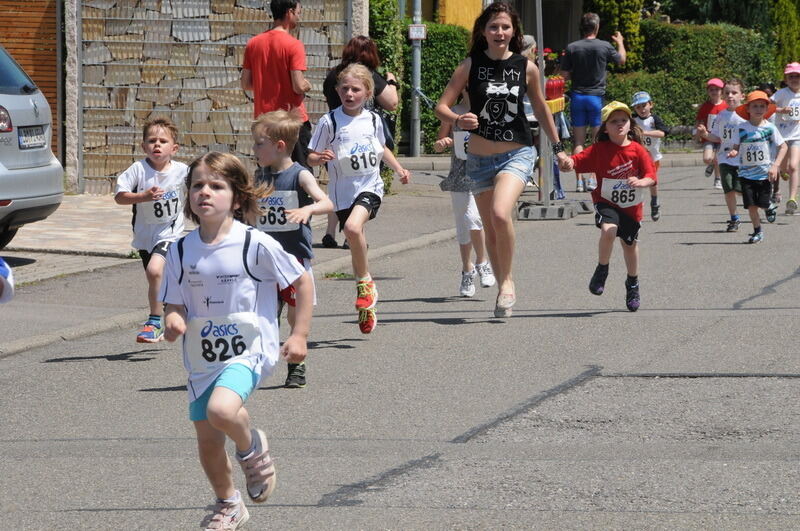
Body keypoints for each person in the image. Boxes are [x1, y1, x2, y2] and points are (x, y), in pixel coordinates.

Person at [161, 151, 314, 531]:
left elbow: (301, 281)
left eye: (216, 186)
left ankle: (251, 450)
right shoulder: (180, 249)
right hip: (201, 355)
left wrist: (300, 334)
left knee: (222, 410)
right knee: (209, 442)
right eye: (197, 185)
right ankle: (229, 503)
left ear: (238, 197)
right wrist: (174, 318)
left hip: (249, 348)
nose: (205, 193)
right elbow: (174, 299)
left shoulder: (255, 243)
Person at [435, 1, 570, 318]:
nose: (499, 32)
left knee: (499, 213)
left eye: (505, 27)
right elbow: (442, 106)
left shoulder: (527, 68)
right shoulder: (470, 66)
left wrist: (559, 148)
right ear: (484, 30)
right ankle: (501, 291)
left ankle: (507, 282)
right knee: (491, 230)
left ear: (514, 32)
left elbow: (541, 109)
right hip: (479, 160)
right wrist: (457, 121)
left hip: (517, 153)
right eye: (493, 26)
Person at [308, 64, 411, 334]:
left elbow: (381, 148)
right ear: (337, 91)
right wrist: (320, 157)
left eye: (356, 89)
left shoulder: (373, 120)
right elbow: (310, 155)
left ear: (367, 93)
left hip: (370, 186)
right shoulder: (329, 121)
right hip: (343, 193)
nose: (350, 94)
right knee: (356, 241)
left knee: (353, 228)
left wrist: (399, 168)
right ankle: (367, 302)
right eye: (345, 89)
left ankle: (365, 284)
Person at [251, 108, 333, 388]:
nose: (254, 149)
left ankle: (296, 365)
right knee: (262, 315)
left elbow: (327, 203)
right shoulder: (259, 176)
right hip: (264, 261)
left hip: (295, 260)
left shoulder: (300, 175)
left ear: (280, 146)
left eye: (259, 144)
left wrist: (307, 210)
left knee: (295, 316)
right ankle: (255, 365)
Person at [561, 101, 656, 312]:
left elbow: (651, 176)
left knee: (629, 246)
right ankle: (602, 269)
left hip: (631, 207)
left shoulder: (638, 151)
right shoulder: (599, 149)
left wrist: (642, 182)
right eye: (614, 121)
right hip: (606, 202)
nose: (620, 124)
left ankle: (632, 284)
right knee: (608, 230)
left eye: (623, 120)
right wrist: (568, 162)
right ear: (605, 127)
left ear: (630, 124)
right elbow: (576, 161)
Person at [320, 35, 399, 249]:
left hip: (335, 140)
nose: (350, 92)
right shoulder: (368, 76)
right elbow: (392, 102)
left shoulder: (334, 75)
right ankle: (352, 235)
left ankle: (330, 232)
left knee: (338, 187)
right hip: (362, 141)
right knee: (360, 186)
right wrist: (392, 81)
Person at [114, 117, 188, 343]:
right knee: (156, 277)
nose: (157, 145)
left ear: (174, 148)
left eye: (163, 141)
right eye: (152, 140)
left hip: (171, 233)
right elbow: (119, 197)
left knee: (155, 271)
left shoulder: (183, 171)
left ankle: (154, 321)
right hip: (145, 237)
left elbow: (199, 186)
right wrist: (143, 196)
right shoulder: (138, 170)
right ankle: (176, 308)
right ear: (143, 146)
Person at [433, 90, 496, 297]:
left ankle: (482, 262)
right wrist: (443, 143)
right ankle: (467, 270)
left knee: (474, 218)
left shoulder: (488, 111)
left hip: (481, 172)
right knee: (463, 223)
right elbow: (439, 142)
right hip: (459, 173)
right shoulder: (453, 112)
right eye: (469, 85)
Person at [559, 12, 626, 193]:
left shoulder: (572, 47)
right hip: (596, 97)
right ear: (596, 27)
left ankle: (579, 181)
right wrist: (620, 42)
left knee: (578, 141)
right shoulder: (604, 46)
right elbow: (622, 60)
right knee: (597, 141)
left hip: (578, 96)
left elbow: (564, 75)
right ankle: (592, 180)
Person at [241, 0, 312, 168]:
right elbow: (298, 85)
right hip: (291, 121)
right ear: (289, 12)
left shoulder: (254, 43)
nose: (298, 17)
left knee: (269, 175)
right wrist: (307, 85)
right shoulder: (294, 45)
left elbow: (246, 84)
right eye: (298, 13)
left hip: (264, 123)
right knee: (299, 172)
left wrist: (265, 83)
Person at [727, 91, 788, 243]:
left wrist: (775, 166)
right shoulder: (741, 128)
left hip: (764, 174)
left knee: (763, 202)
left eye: (762, 106)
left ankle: (769, 206)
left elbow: (783, 146)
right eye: (755, 106)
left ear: (767, 108)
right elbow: (736, 145)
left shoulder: (770, 128)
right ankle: (757, 231)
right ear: (748, 109)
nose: (758, 109)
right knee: (751, 206)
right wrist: (734, 151)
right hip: (746, 174)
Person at [696, 78, 747, 232]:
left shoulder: (747, 114)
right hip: (725, 159)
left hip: (744, 160)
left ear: (742, 96)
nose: (730, 96)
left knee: (740, 190)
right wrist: (705, 134)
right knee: (728, 190)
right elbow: (717, 138)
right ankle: (734, 218)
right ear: (723, 95)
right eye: (727, 93)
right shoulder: (721, 116)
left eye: (734, 93)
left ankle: (762, 201)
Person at [630, 91, 669, 221]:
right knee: (635, 181)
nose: (641, 109)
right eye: (638, 107)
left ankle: (654, 202)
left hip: (653, 156)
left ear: (650, 104)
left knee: (652, 181)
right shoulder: (633, 120)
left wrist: (645, 133)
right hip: (637, 157)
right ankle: (634, 206)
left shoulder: (654, 119)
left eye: (644, 105)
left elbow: (663, 133)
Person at [771, 62, 800, 215]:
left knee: (794, 166)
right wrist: (781, 110)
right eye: (791, 76)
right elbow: (767, 106)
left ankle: (792, 199)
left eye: (797, 76)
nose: (794, 79)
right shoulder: (781, 93)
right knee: (784, 167)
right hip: (781, 135)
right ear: (786, 78)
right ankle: (782, 170)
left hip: (797, 135)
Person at [693, 78, 728, 188]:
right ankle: (711, 164)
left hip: (722, 137)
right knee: (707, 159)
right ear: (708, 92)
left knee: (717, 157)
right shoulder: (705, 106)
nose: (714, 92)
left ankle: (718, 179)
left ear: (721, 91)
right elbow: (698, 121)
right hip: (708, 137)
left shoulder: (726, 105)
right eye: (711, 89)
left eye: (717, 89)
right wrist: (697, 135)